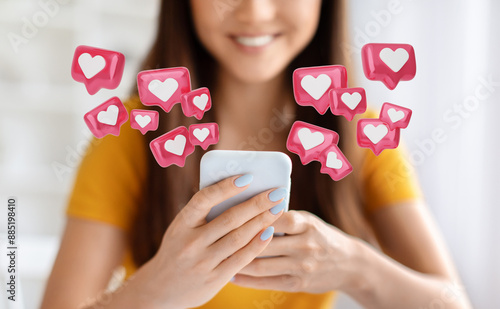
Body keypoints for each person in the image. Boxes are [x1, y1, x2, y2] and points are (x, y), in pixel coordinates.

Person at [41, 1, 472, 308]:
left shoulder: (365, 133)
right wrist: (155, 292)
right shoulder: (131, 136)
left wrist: (353, 265)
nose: (255, 12)